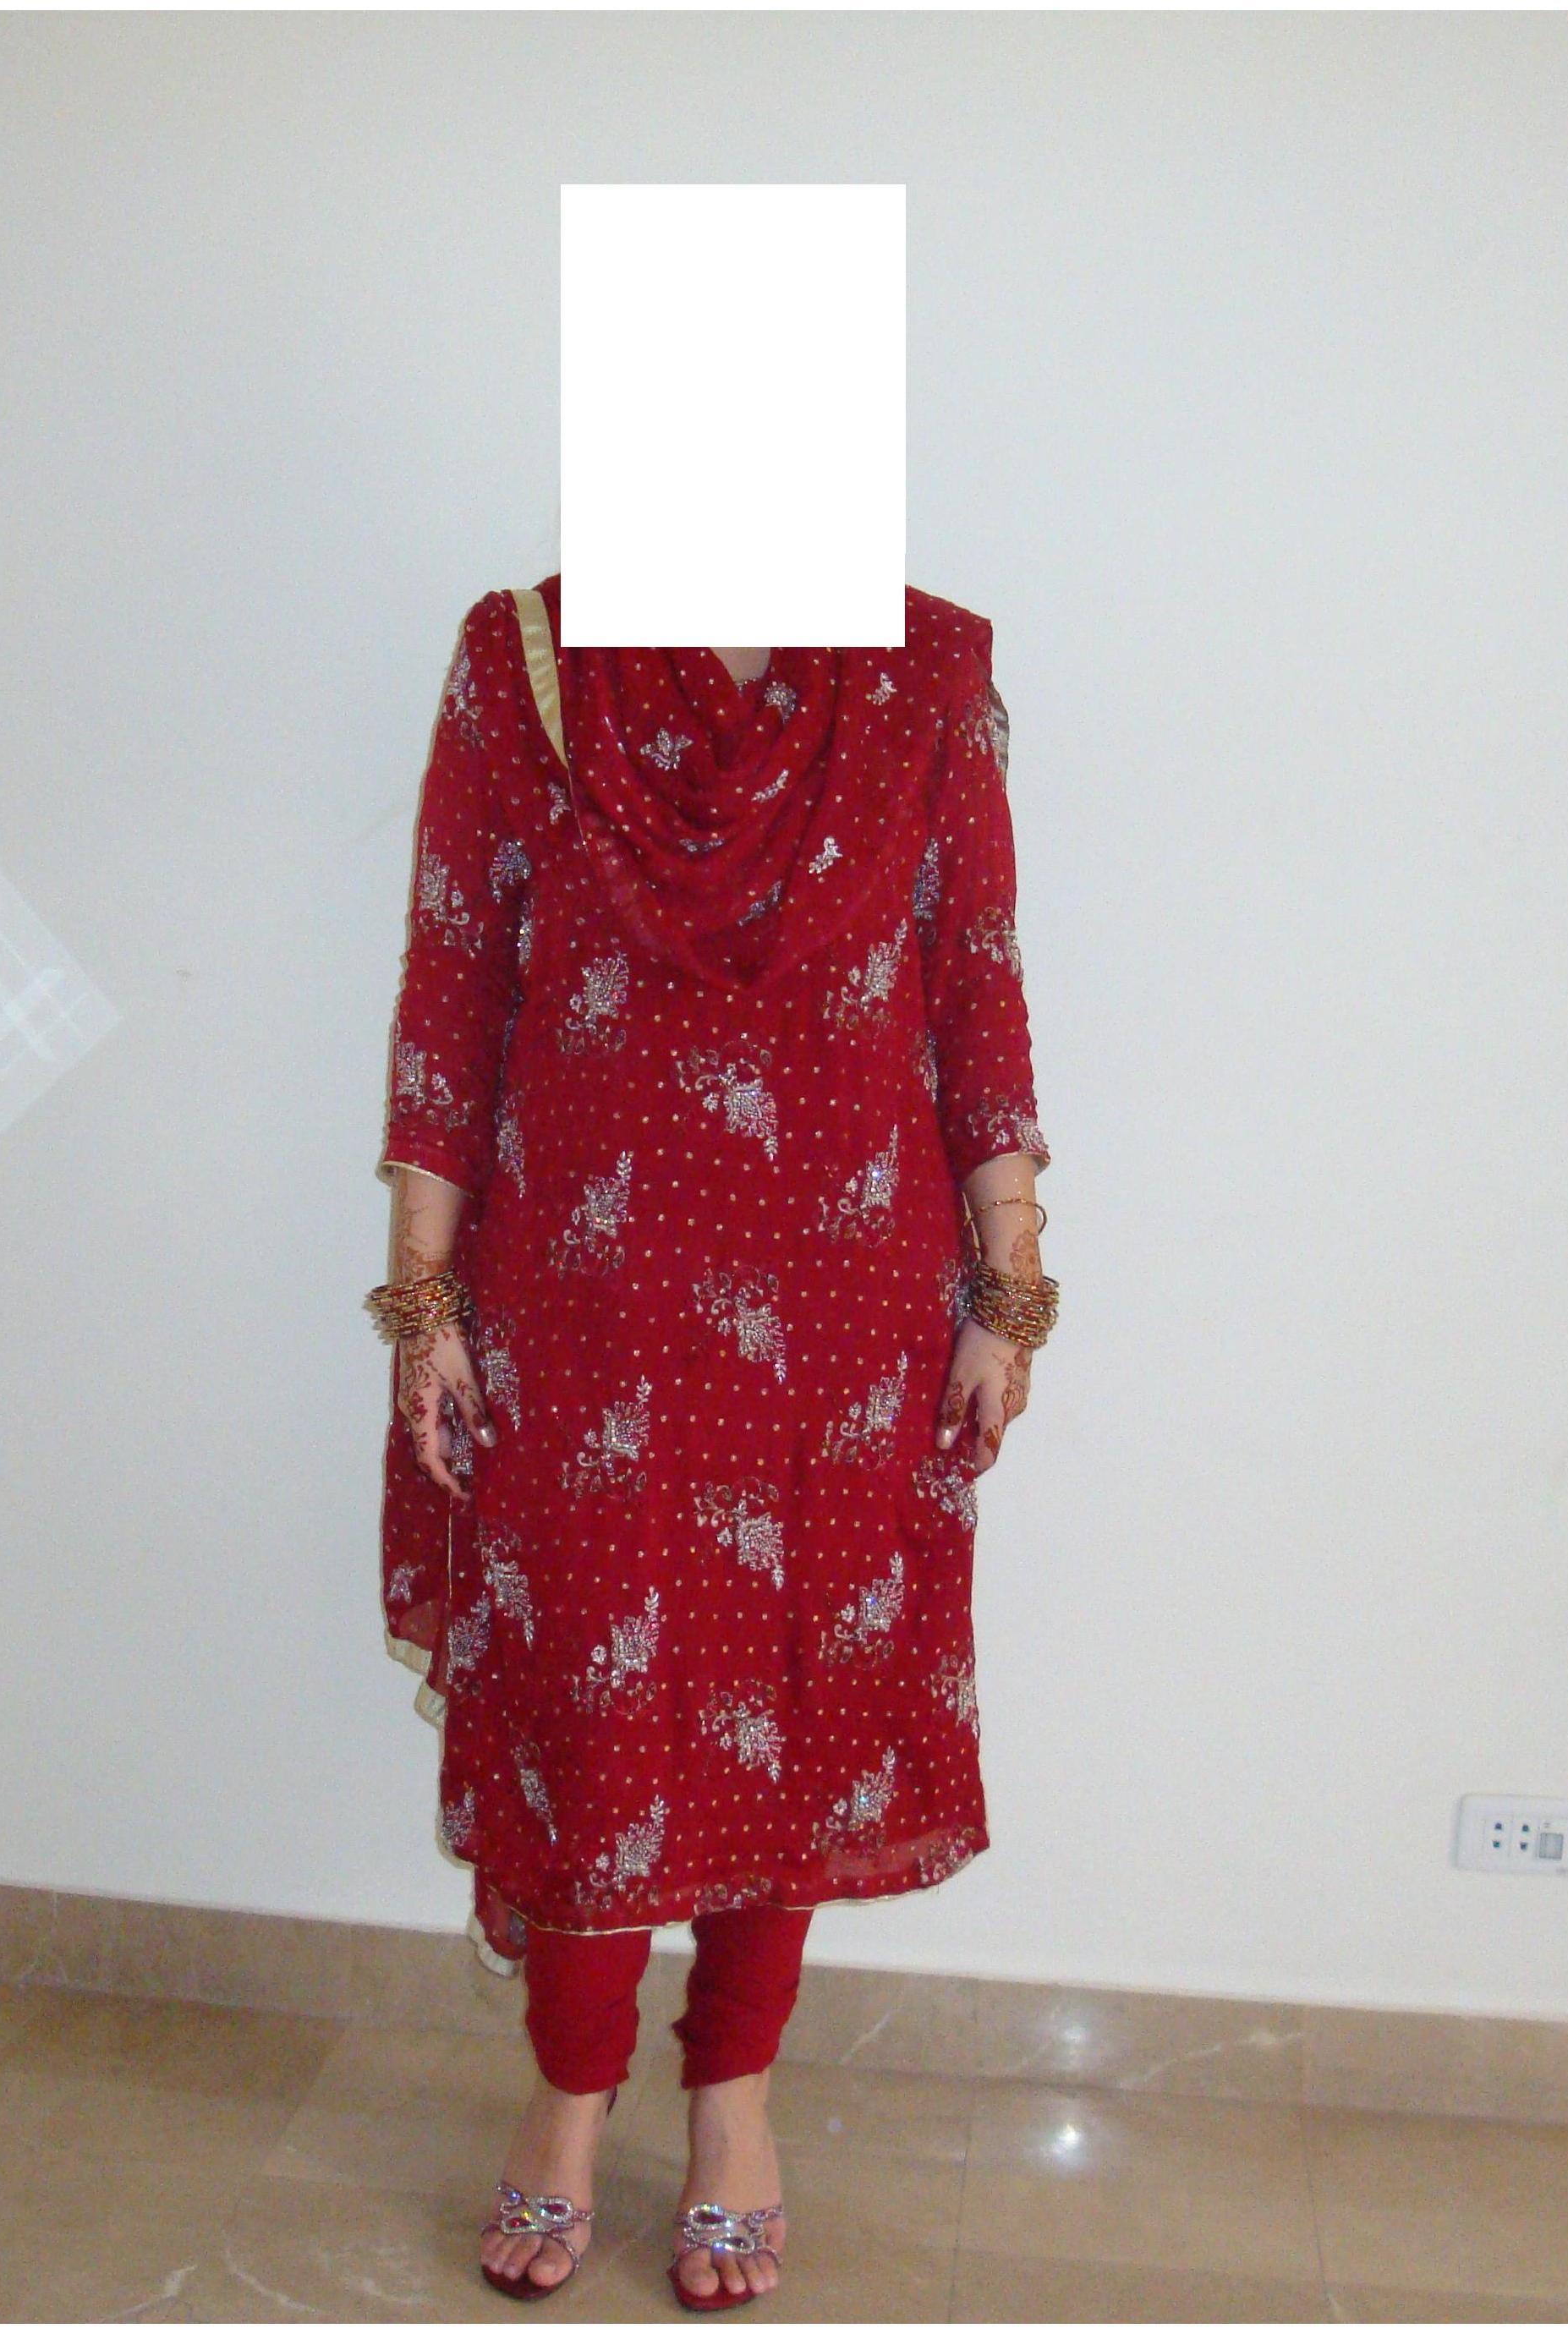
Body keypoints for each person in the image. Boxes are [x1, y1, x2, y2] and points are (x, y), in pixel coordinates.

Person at [367, 574, 1054, 2309]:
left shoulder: (921, 668)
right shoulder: (529, 658)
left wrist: (1010, 1280)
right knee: (592, 1708)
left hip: (843, 1283)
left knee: (793, 1697)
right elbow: (454, 982)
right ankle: (567, 2096)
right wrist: (424, 1306)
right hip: (587, 1289)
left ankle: (733, 2103)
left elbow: (973, 981)